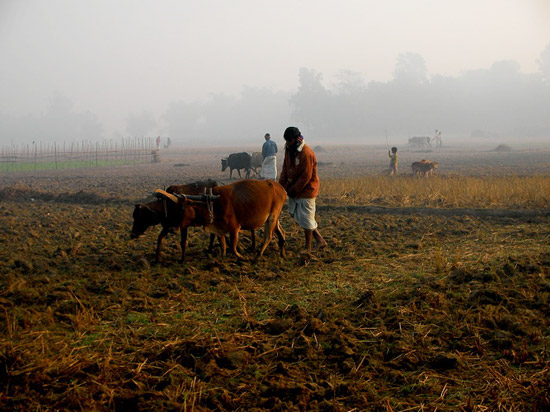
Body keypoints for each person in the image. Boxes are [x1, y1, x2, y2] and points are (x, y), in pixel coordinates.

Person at [279, 126, 327, 252]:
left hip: (306, 191)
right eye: (286, 141)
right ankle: (320, 240)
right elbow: (285, 169)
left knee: (306, 219)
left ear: (295, 139)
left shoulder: (306, 153)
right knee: (301, 217)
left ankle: (308, 248)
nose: (287, 143)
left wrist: (293, 190)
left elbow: (306, 176)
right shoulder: (289, 150)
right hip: (294, 189)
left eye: (289, 141)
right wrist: (280, 186)